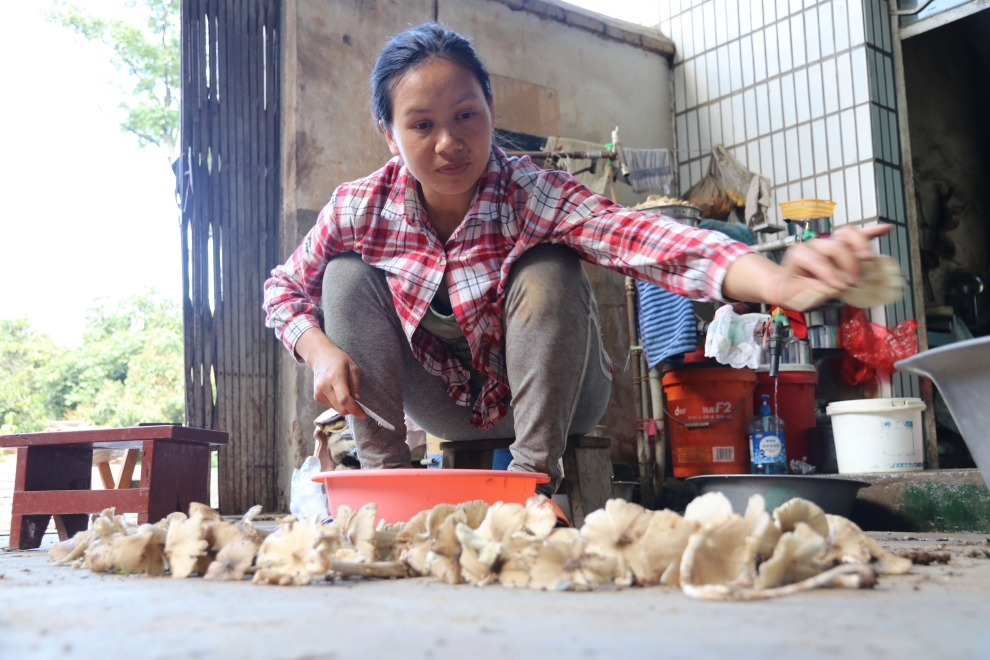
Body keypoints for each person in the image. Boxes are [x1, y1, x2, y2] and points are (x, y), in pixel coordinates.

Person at [263, 23, 889, 500]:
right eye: (421, 125)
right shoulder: (359, 208)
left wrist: (778, 279)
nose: (449, 143)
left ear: (490, 111)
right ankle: (386, 486)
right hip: (442, 404)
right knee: (343, 276)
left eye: (465, 116)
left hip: (558, 398)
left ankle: (534, 485)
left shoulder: (531, 190)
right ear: (389, 134)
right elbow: (283, 290)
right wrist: (317, 348)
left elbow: (647, 240)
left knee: (550, 266)